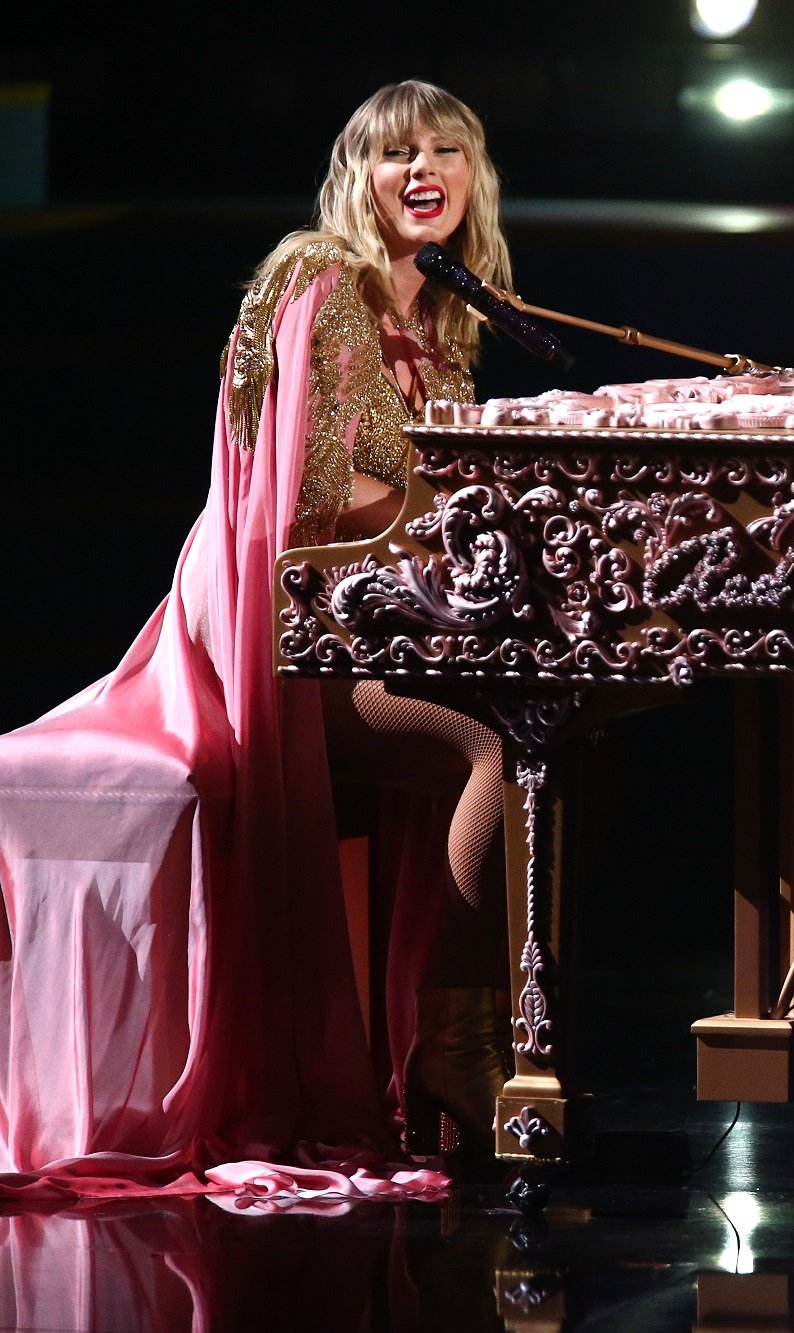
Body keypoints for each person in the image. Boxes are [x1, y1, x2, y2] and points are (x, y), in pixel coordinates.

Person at [0, 80, 513, 1200]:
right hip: (274, 639)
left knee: (566, 732)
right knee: (497, 742)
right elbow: (312, 497)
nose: (421, 171)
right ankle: (458, 1052)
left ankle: (509, 1043)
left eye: (445, 151)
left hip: (369, 625)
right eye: (394, 155)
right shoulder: (321, 279)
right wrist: (461, 518)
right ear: (357, 177)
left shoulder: (442, 312)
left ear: (474, 177)